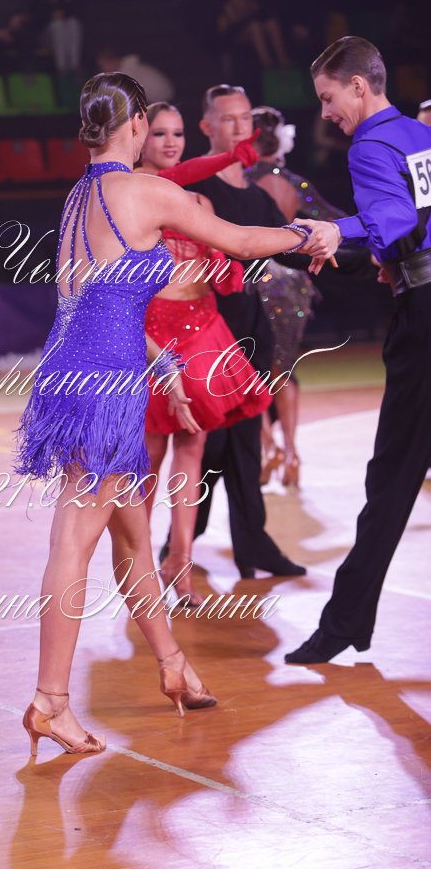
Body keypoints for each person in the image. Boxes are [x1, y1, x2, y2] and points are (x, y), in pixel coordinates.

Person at [15, 72, 330, 756]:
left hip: (76, 371)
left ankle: (173, 665)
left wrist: (159, 365)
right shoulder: (142, 191)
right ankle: (50, 701)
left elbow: (91, 300)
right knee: (72, 542)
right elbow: (238, 240)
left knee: (133, 537)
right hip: (104, 388)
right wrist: (303, 233)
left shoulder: (79, 196)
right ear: (134, 125)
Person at [284, 37, 431, 663]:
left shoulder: (370, 144)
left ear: (359, 87)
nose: (325, 113)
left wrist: (337, 228)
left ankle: (343, 622)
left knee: (392, 476)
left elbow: (394, 219)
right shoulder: (420, 136)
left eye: (328, 97)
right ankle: (348, 620)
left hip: (425, 320)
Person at [137, 101, 271, 605]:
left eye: (176, 133)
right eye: (159, 133)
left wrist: (221, 261)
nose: (170, 142)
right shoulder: (132, 195)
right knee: (150, 456)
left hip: (202, 331)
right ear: (140, 138)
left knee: (192, 451)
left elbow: (223, 272)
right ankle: (140, 563)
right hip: (155, 336)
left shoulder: (197, 201)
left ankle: (180, 561)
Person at [184, 83, 308, 578]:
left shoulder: (257, 196)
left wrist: (355, 254)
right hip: (206, 332)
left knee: (245, 446)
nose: (239, 129)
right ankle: (183, 541)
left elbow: (289, 248)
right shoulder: (193, 191)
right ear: (206, 126)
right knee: (210, 447)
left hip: (251, 329)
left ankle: (252, 546)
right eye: (228, 119)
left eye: (244, 120)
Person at [249, 104, 342, 486]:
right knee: (284, 368)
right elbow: (330, 217)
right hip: (292, 283)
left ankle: (266, 445)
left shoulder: (241, 181)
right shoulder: (293, 182)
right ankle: (291, 453)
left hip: (252, 278)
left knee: (250, 368)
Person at [217, 0, 291, 69]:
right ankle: (267, 62)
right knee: (254, 25)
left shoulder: (252, 2)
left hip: (254, 29)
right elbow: (235, 22)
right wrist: (247, 11)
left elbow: (259, 15)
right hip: (237, 35)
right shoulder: (228, 5)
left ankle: (282, 58)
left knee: (271, 22)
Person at [39, 0, 82, 77]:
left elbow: (77, 11)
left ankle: (74, 66)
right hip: (48, 33)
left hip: (66, 31)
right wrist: (52, 3)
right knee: (57, 25)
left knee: (73, 23)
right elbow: (37, 16)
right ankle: (62, 68)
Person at [96, 49, 174, 104]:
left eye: (105, 64)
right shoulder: (126, 68)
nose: (103, 69)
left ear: (113, 60)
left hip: (163, 100)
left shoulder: (129, 73)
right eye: (101, 66)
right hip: (158, 98)